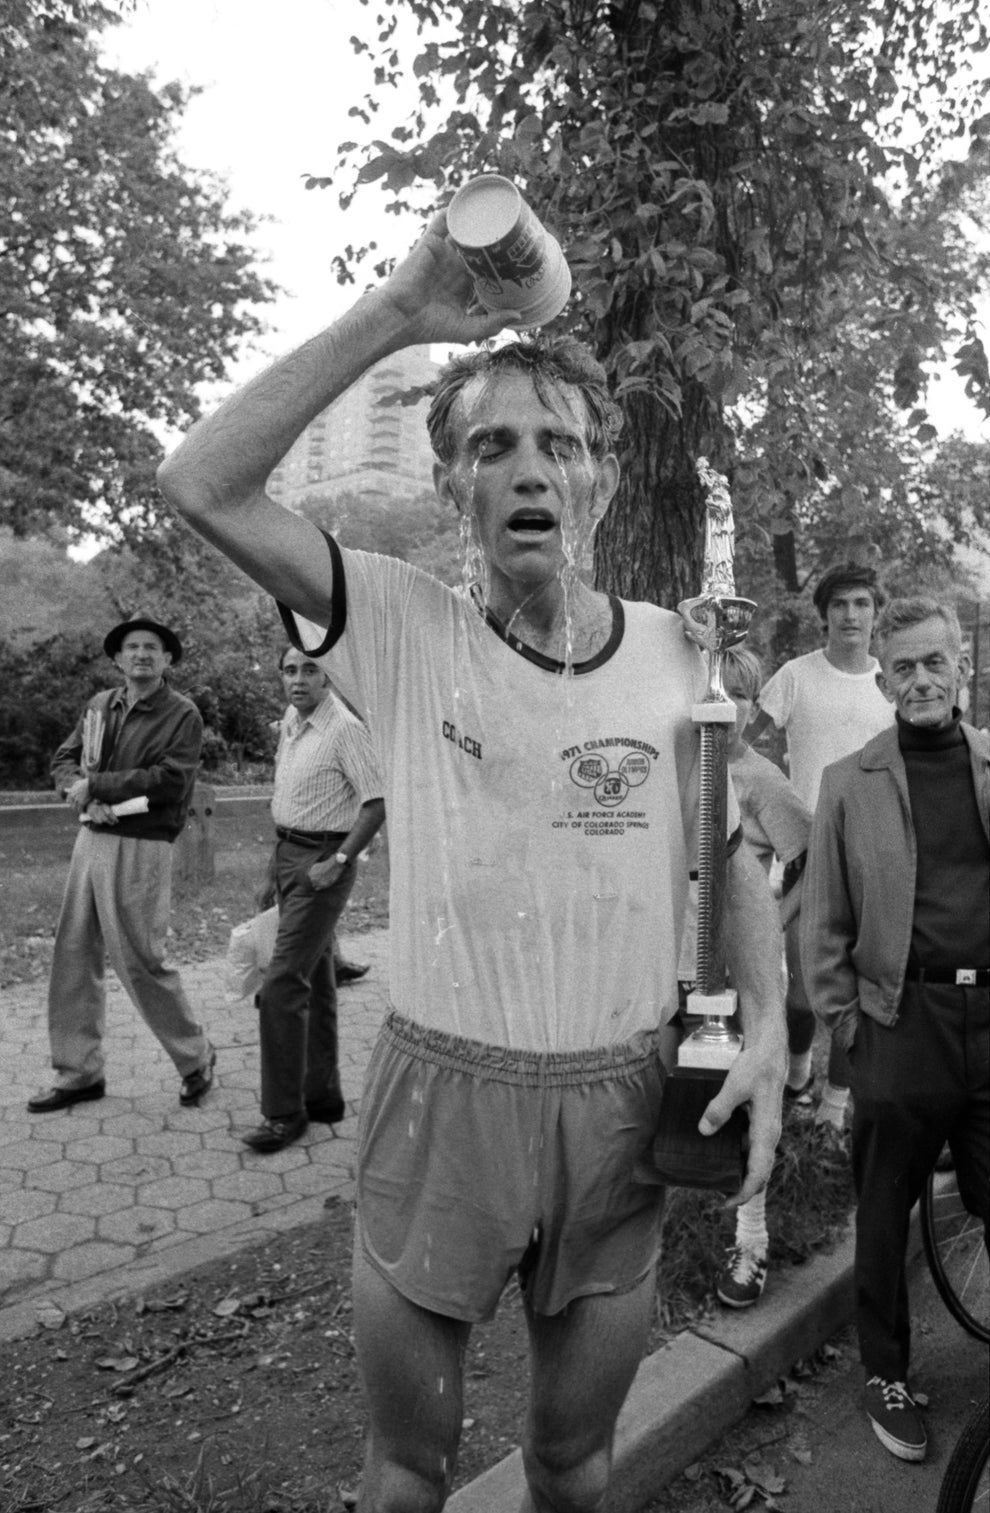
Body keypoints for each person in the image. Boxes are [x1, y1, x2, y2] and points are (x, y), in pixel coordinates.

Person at [157, 210, 786, 1513]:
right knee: (405, 1473)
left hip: (618, 1100)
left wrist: (773, 1025)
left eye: (558, 443)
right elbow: (201, 482)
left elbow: (725, 848)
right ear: (451, 487)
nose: (526, 468)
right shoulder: (395, 624)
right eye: (491, 445)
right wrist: (401, 307)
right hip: (440, 1092)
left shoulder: (676, 654)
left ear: (601, 480)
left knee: (572, 1462)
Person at [800, 595, 989, 1464]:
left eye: (934, 662)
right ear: (885, 674)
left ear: (963, 668)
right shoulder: (851, 781)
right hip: (897, 1020)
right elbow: (824, 928)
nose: (919, 679)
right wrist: (852, 1038)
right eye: (903, 665)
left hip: (988, 1021)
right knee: (882, 1210)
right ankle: (885, 1372)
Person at [28, 617, 216, 1113]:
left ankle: (195, 1058)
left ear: (168, 659)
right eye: (131, 647)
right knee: (72, 954)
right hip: (91, 836)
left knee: (140, 960)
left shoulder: (182, 714)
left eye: (152, 648)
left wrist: (101, 788)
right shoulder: (100, 705)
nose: (141, 655)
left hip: (141, 843)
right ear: (117, 658)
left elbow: (171, 780)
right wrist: (81, 795)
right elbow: (66, 759)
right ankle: (79, 1071)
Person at [748, 562, 894, 1133]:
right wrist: (772, 813)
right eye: (839, 604)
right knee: (804, 996)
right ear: (825, 614)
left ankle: (837, 1109)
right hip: (808, 857)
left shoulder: (889, 685)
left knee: (863, 998)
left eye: (861, 603)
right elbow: (743, 746)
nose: (851, 614)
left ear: (875, 614)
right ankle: (798, 1079)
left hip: (877, 858)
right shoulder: (795, 676)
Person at [702, 645, 814, 1309]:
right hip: (686, 957)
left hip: (746, 962)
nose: (730, 705)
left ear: (755, 708)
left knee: (750, 1091)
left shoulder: (761, 778)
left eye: (743, 694)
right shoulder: (687, 761)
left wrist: (772, 919)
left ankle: (751, 1241)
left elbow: (805, 858)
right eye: (718, 691)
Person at [242, 647, 385, 1153]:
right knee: (318, 978)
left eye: (309, 670)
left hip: (324, 863)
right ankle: (322, 1097)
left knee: (281, 985)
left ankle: (284, 1113)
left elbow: (376, 801)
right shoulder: (291, 720)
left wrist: (340, 861)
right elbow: (288, 798)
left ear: (329, 676)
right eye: (288, 670)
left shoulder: (344, 728)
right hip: (288, 853)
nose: (297, 680)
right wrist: (271, 871)